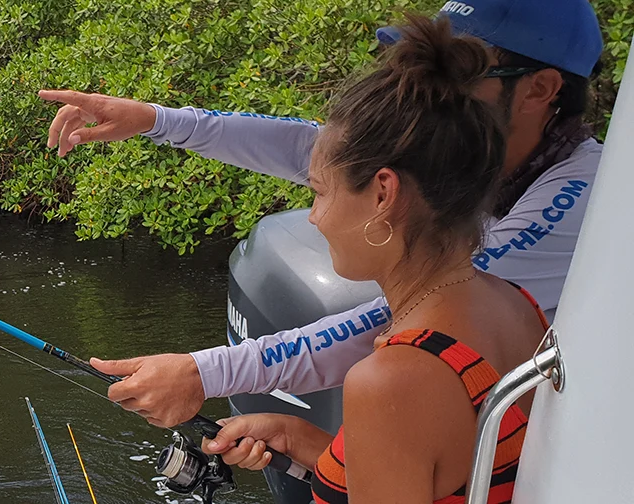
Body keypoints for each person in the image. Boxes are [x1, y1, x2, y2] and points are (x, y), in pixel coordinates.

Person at [37, 0, 604, 429]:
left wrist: (208, 371)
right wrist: (156, 119)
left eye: (450, 77)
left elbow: (431, 309)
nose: (419, 94)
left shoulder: (580, 198)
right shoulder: (468, 148)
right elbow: (323, 151)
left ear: (541, 90)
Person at [212, 16, 542, 502]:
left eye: (320, 193)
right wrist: (297, 437)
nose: (314, 218)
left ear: (384, 194)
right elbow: (447, 474)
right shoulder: (515, 305)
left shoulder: (392, 381)